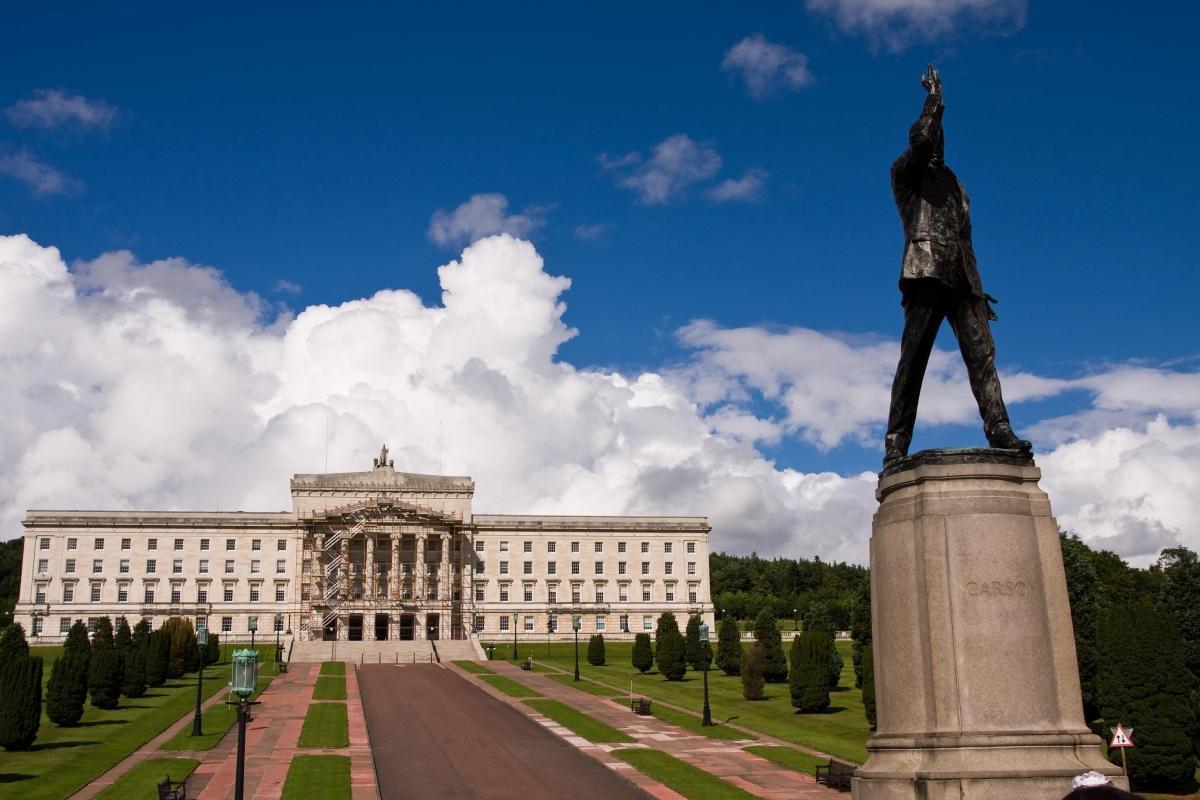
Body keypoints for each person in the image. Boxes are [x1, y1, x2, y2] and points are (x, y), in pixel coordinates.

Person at [883, 64, 1032, 468]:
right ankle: (897, 439)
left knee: (983, 357)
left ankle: (998, 427)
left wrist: (979, 290)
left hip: (963, 278)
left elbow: (965, 240)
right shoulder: (906, 175)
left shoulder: (956, 186)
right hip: (925, 270)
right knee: (914, 360)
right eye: (932, 136)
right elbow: (920, 139)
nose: (935, 143)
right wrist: (934, 100)